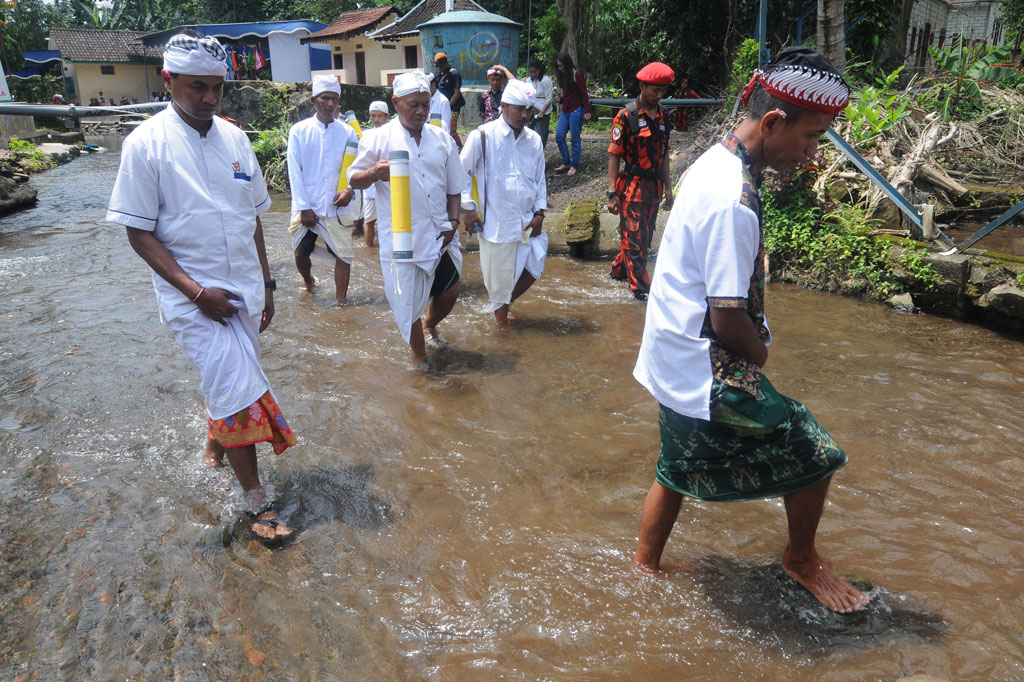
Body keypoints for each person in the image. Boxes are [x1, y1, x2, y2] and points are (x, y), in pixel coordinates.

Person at [631, 47, 869, 614]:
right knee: (817, 451)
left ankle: (644, 566)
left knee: (675, 463)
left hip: (667, 349)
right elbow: (727, 315)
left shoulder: (710, 162)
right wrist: (759, 355)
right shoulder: (735, 199)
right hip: (700, 360)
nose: (812, 155)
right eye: (811, 138)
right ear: (772, 122)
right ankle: (801, 558)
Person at [106, 34, 297, 545]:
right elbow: (138, 233)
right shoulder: (145, 144)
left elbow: (254, 217)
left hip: (244, 295)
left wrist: (269, 283)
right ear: (169, 81)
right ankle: (257, 500)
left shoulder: (235, 140)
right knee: (237, 390)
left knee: (231, 383)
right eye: (198, 88)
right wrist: (195, 294)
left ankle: (213, 452)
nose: (210, 99)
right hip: (192, 300)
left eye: (217, 88)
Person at [348, 73, 469, 368]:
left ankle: (430, 324)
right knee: (408, 305)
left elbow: (455, 187)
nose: (421, 112)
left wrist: (454, 221)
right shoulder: (377, 138)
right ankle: (419, 357)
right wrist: (374, 173)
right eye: (414, 105)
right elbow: (353, 178)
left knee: (451, 289)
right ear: (396, 103)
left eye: (425, 105)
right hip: (402, 238)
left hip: (441, 231)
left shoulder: (441, 137)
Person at [460, 80, 548, 326]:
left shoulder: (534, 140)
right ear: (504, 106)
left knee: (535, 263)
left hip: (528, 219)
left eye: (529, 110)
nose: (525, 115)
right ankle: (501, 325)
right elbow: (459, 173)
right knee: (499, 280)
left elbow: (540, 179)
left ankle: (502, 308)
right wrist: (468, 208)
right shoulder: (483, 136)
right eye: (519, 108)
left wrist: (540, 212)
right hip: (496, 222)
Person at [286, 75, 359, 304]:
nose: (330, 104)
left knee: (344, 256)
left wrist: (350, 190)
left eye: (334, 99)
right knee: (300, 252)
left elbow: (354, 167)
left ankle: (341, 302)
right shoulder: (299, 131)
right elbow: (294, 171)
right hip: (308, 205)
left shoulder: (348, 133)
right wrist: (304, 207)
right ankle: (308, 281)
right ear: (313, 100)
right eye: (325, 98)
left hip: (337, 206)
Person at [607, 62, 675, 302]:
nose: (659, 95)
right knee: (636, 242)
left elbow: (665, 154)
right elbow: (614, 154)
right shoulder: (626, 116)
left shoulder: (665, 116)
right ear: (642, 86)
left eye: (663, 91)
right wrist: (611, 193)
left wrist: (669, 188)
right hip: (631, 189)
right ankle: (641, 292)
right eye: (654, 90)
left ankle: (618, 271)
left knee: (642, 239)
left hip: (654, 190)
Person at [493, 61, 553, 149]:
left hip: (541, 111)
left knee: (539, 135)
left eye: (535, 72)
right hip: (533, 110)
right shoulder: (483, 135)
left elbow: (549, 98)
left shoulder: (545, 80)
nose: (533, 74)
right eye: (531, 72)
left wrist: (542, 112)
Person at [553, 53, 591, 176]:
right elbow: (568, 95)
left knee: (575, 138)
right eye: (558, 66)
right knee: (559, 135)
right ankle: (566, 162)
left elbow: (583, 93)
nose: (560, 68)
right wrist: (561, 99)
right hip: (565, 110)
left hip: (577, 110)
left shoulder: (577, 74)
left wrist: (587, 111)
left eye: (561, 65)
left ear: (567, 63)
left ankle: (574, 164)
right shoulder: (562, 76)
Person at [362, 100, 390, 248]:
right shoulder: (365, 135)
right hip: (370, 185)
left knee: (390, 220)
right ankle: (369, 250)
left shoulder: (393, 133)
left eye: (380, 116)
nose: (376, 119)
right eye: (373, 116)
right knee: (369, 220)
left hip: (389, 184)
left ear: (387, 116)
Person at [433, 52, 465, 148]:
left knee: (451, 129)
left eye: (441, 66)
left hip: (453, 106)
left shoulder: (454, 74)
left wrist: (447, 105)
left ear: (446, 63)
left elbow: (457, 93)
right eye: (438, 66)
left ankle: (461, 146)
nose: (440, 68)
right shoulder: (437, 74)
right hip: (441, 105)